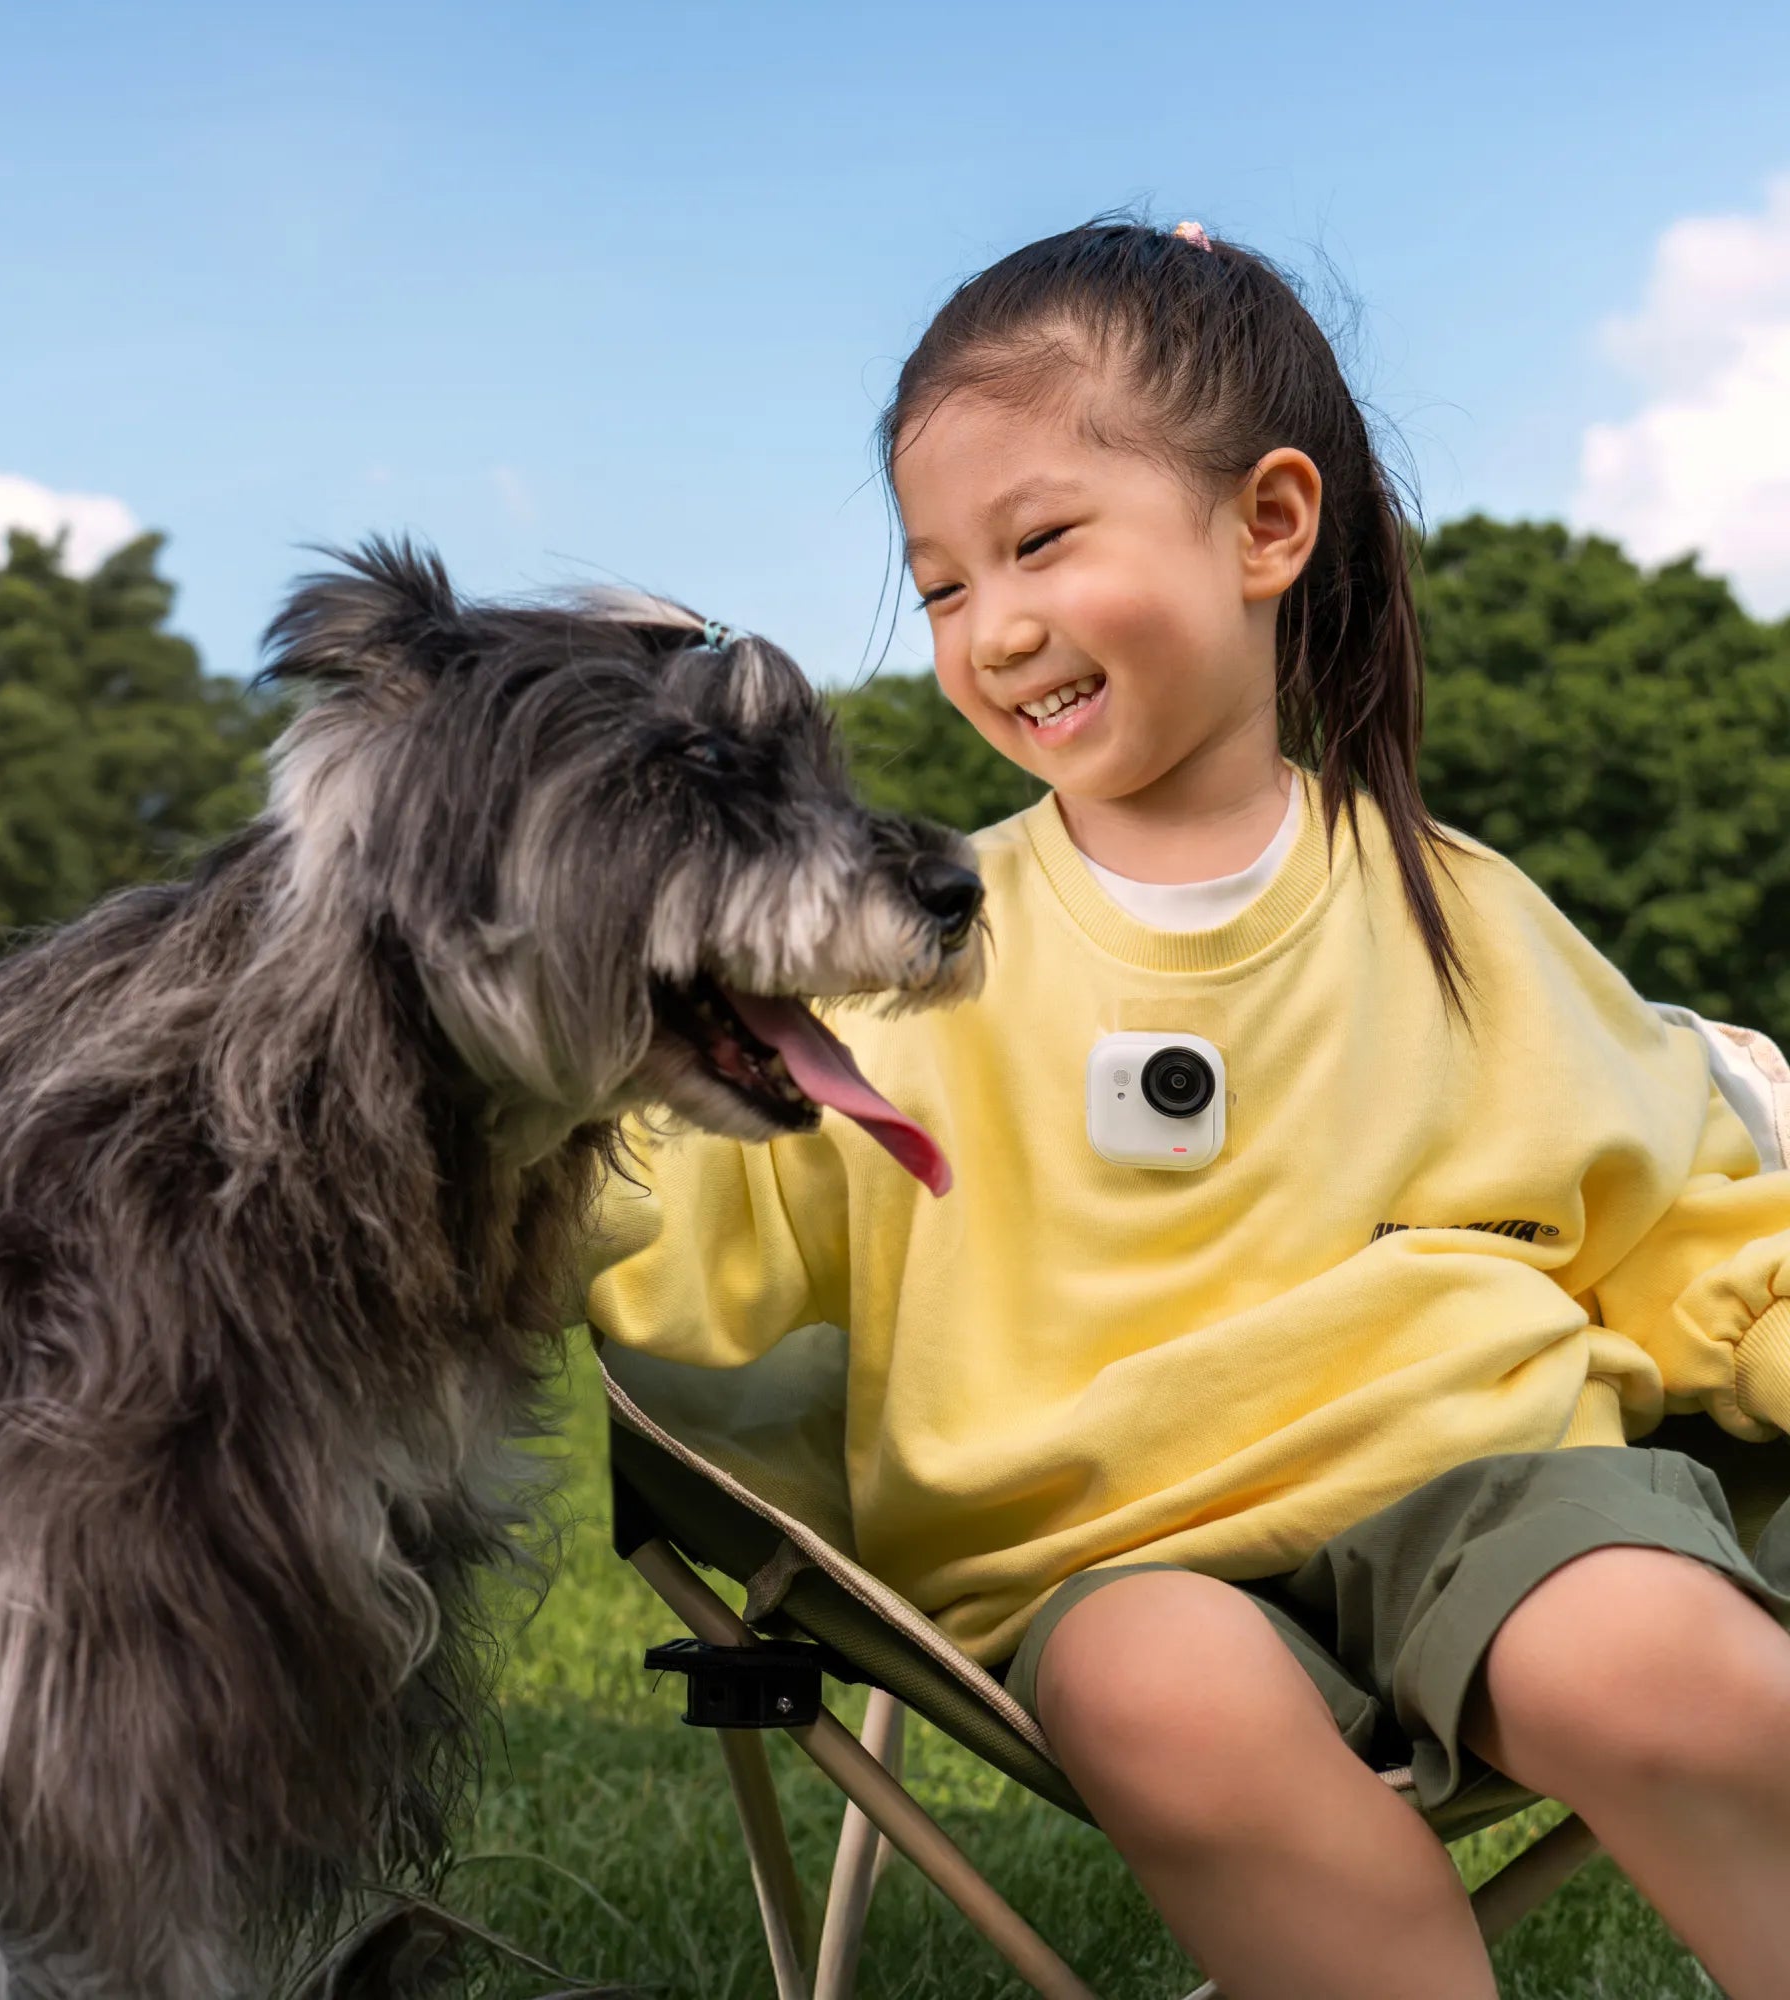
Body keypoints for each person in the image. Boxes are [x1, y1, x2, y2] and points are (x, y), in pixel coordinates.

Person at [584, 218, 1790, 1999]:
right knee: (1162, 1690)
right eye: (940, 587)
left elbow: (1687, 1216)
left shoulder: (1462, 915)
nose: (994, 629)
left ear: (1267, 527)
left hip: (1483, 1476)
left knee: (1656, 1655)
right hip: (1096, 1551)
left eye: (1040, 543)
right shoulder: (905, 955)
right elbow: (692, 1230)